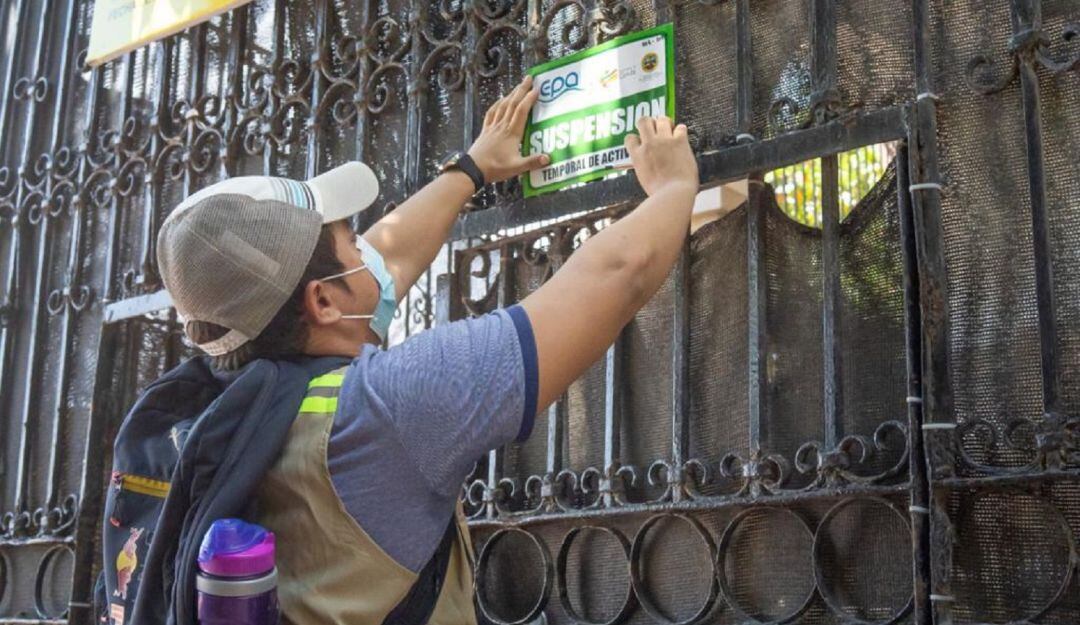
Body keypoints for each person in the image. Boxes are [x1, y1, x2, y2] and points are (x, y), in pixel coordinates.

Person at [108, 75, 699, 625]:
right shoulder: (385, 406)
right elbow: (618, 272)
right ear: (322, 303)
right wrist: (674, 187)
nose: (365, 246)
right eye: (348, 240)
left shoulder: (231, 409)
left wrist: (470, 169)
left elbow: (383, 259)